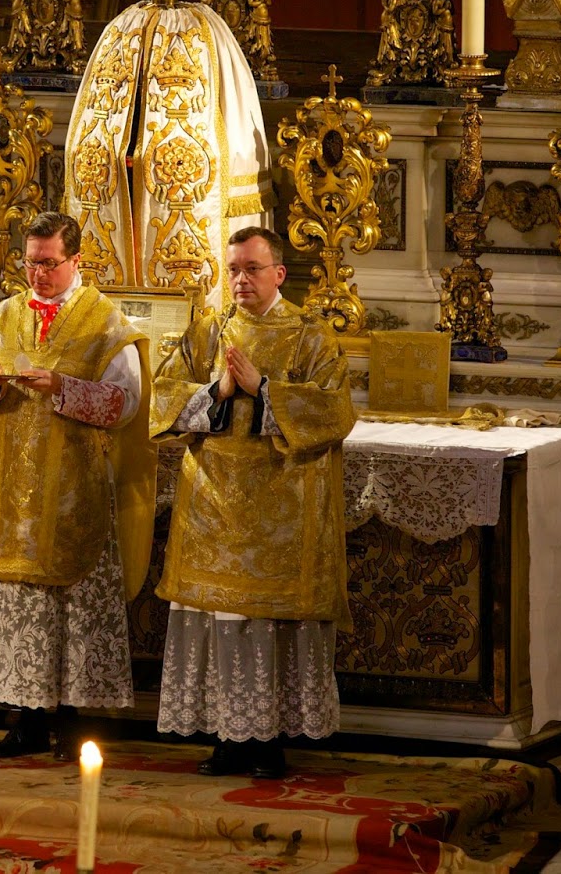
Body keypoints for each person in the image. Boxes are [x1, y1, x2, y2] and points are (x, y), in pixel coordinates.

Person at [150, 226, 355, 779]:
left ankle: (268, 742)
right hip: (213, 501)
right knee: (220, 617)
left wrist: (264, 388)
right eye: (234, 269)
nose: (241, 279)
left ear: (279, 274)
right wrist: (216, 392)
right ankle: (227, 737)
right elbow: (162, 399)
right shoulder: (209, 330)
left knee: (266, 620)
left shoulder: (311, 336)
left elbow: (335, 412)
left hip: (282, 503)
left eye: (252, 269)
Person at [0, 212, 156, 761]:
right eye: (31, 263)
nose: (38, 274)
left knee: (71, 609)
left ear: (76, 261)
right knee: (19, 607)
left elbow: (125, 405)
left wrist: (62, 387)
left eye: (48, 263)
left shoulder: (106, 324)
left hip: (73, 490)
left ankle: (73, 722)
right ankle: (24, 720)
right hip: (9, 493)